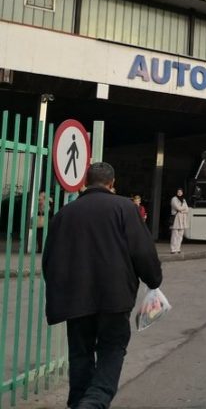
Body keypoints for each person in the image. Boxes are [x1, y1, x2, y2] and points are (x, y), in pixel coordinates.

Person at [42, 162, 162, 409]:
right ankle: (94, 401)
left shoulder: (64, 214)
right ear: (112, 184)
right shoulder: (125, 208)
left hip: (75, 300)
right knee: (112, 349)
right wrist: (154, 281)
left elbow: (49, 260)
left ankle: (79, 402)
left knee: (80, 353)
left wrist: (59, 291)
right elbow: (142, 251)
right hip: (115, 298)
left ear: (85, 183)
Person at [170, 188, 189, 254]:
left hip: (183, 218)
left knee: (180, 235)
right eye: (178, 192)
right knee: (175, 234)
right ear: (176, 192)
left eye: (181, 192)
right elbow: (177, 208)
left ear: (182, 193)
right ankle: (173, 249)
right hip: (176, 218)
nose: (179, 193)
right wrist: (183, 208)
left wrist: (182, 209)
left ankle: (178, 248)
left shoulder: (183, 200)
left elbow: (187, 209)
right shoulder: (174, 199)